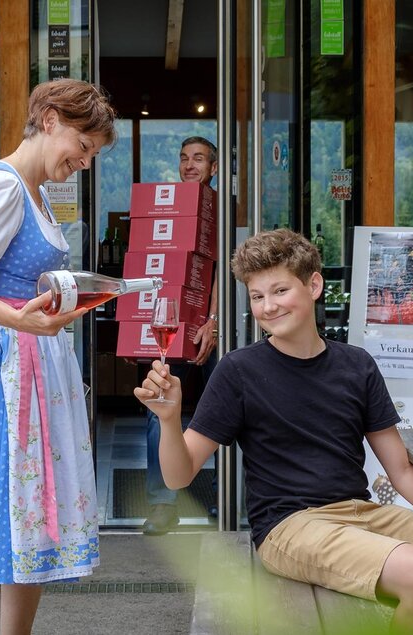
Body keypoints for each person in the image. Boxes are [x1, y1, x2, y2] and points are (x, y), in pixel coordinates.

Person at [135, 229, 413, 632]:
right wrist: (170, 420)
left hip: (362, 514)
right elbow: (178, 474)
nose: (268, 307)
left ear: (313, 285)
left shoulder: (356, 365)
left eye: (279, 291)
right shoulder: (238, 371)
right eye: (257, 297)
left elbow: (402, 473)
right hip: (289, 526)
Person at [0, 78, 117, 635]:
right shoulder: (2, 186)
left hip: (26, 360)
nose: (83, 161)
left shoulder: (35, 193)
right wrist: (19, 319)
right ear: (50, 119)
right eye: (83, 147)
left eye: (92, 155)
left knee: (22, 514)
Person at [141, 136, 221, 536]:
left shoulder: (222, 210)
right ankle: (162, 504)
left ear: (214, 168)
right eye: (185, 158)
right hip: (168, 327)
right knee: (159, 408)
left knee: (222, 413)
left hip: (214, 330)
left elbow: (230, 269)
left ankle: (224, 498)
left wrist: (216, 319)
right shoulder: (164, 206)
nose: (190, 165)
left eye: (199, 159)